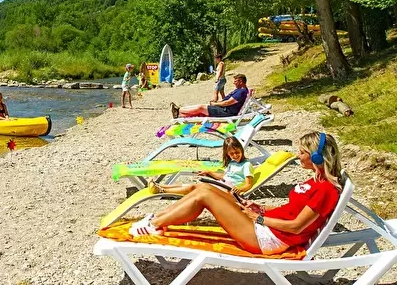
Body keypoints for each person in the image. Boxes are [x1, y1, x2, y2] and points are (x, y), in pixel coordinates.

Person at [129, 132, 342, 256]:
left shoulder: (325, 190)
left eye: (302, 152)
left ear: (316, 157)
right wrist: (260, 208)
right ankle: (157, 220)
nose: (298, 156)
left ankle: (154, 225)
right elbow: (289, 210)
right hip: (265, 228)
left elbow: (296, 226)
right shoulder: (315, 181)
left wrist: (259, 218)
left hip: (268, 239)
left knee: (205, 195)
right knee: (204, 188)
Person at [148, 136, 253, 196]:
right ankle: (160, 186)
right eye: (231, 154)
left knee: (194, 188)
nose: (235, 155)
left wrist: (239, 189)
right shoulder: (232, 163)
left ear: (241, 150)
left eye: (237, 152)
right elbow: (223, 177)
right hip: (223, 184)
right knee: (191, 185)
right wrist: (208, 172)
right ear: (227, 154)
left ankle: (161, 191)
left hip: (228, 189)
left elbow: (249, 184)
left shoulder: (246, 165)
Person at [171, 74, 248, 119]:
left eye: (235, 81)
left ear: (241, 82)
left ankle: (178, 112)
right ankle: (180, 112)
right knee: (202, 106)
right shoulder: (241, 90)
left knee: (201, 108)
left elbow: (227, 103)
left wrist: (215, 104)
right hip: (224, 110)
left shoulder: (241, 92)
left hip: (226, 113)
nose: (233, 83)